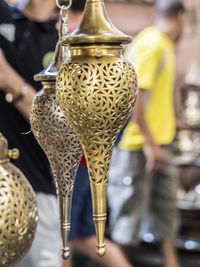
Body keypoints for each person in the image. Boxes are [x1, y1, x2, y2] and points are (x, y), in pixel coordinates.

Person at [107, 1, 186, 267]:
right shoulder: (152, 43)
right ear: (182, 18)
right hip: (137, 146)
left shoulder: (162, 43)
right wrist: (150, 144)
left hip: (160, 144)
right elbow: (135, 95)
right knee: (127, 219)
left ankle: (170, 262)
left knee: (166, 215)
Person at [62, 1, 133, 267]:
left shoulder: (69, 37)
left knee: (67, 236)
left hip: (74, 159)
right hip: (95, 155)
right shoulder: (109, 48)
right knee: (83, 237)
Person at [0, 1, 62, 266]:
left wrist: (9, 81)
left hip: (38, 192)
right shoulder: (5, 19)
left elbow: (61, 131)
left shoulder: (63, 43)